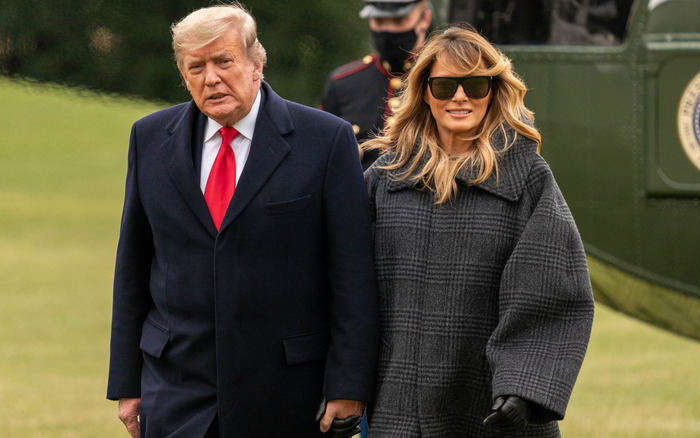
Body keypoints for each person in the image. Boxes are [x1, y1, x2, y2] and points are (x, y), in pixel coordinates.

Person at [106, 4, 379, 437]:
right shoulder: (149, 138)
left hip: (287, 395)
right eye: (195, 67)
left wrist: (348, 385)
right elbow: (133, 269)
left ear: (256, 64)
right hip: (175, 392)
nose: (210, 77)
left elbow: (352, 276)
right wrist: (126, 382)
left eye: (223, 61)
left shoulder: (326, 141)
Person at [362, 25, 594, 437]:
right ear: (425, 91)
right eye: (445, 85)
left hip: (491, 410)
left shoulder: (527, 178)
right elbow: (347, 291)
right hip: (395, 409)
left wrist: (523, 387)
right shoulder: (384, 178)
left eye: (475, 84)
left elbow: (553, 290)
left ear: (494, 90)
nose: (460, 96)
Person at [320, 0, 432, 169]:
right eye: (379, 21)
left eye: (399, 20)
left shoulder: (443, 81)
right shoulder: (343, 83)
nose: (388, 29)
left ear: (424, 19)